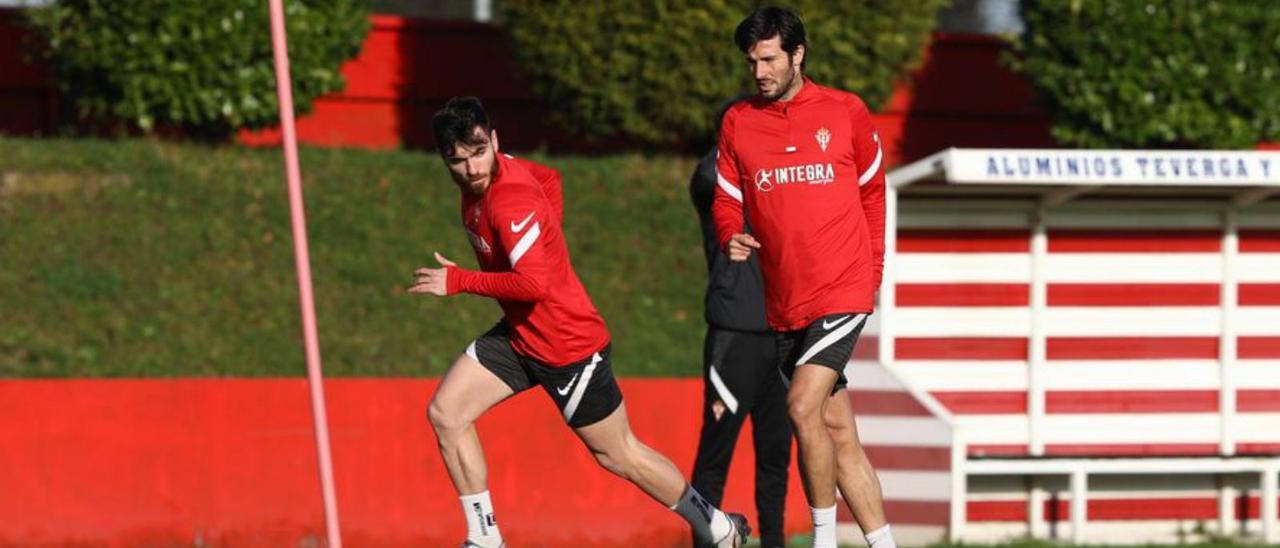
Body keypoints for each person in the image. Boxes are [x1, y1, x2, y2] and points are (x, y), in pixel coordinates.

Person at [411, 96, 749, 548]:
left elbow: (532, 284)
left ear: (494, 140)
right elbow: (551, 178)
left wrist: (458, 280)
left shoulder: (509, 202)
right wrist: (547, 237)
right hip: (521, 338)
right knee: (447, 413)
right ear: (444, 159)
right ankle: (484, 537)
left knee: (620, 454)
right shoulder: (501, 174)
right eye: (458, 160)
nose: (472, 168)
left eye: (479, 153)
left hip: (568, 347)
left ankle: (717, 527)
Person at [711, 7, 897, 548]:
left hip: (842, 288)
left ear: (797, 54)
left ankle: (822, 539)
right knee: (838, 432)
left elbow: (873, 194)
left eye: (769, 59)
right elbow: (727, 197)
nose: (759, 72)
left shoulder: (846, 112)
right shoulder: (737, 122)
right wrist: (729, 234)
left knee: (799, 406)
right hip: (785, 303)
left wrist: (873, 271)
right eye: (752, 61)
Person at [689, 110, 791, 548]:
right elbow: (721, 182)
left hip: (782, 333)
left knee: (776, 459)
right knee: (714, 457)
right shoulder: (713, 174)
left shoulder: (776, 170)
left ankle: (774, 543)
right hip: (734, 336)